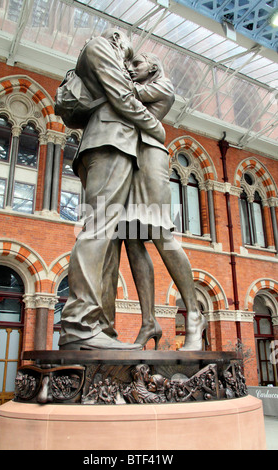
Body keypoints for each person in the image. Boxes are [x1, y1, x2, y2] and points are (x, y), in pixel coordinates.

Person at [58, 30, 166, 350]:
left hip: (114, 146)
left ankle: (100, 328)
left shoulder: (105, 54)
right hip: (109, 143)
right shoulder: (100, 47)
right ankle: (80, 321)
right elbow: (122, 96)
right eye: (128, 55)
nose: (128, 64)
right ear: (118, 40)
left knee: (109, 241)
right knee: (98, 230)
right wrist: (155, 128)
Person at [113, 52, 207, 351]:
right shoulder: (142, 81)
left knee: (160, 233)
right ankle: (148, 321)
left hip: (151, 158)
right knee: (131, 239)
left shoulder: (162, 85)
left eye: (136, 64)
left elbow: (125, 96)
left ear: (152, 67)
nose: (130, 68)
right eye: (128, 65)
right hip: (128, 159)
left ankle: (193, 313)